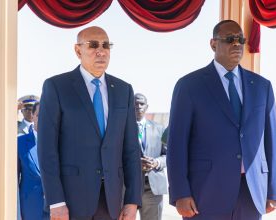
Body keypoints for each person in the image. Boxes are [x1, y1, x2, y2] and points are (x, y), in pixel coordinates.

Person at [166, 20, 276, 220]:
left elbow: (272, 143)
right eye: (230, 39)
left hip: (251, 193)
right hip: (205, 192)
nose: (237, 44)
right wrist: (180, 193)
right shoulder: (189, 86)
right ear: (213, 44)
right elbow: (176, 145)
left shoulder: (262, 87)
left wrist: (273, 190)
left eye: (241, 40)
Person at [38, 26, 142, 220]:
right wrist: (56, 201)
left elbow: (131, 150)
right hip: (70, 201)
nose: (101, 51)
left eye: (106, 45)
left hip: (111, 202)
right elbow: (47, 150)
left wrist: (132, 200)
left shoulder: (123, 90)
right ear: (78, 51)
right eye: (93, 45)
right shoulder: (57, 87)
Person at [134, 93, 167, 220]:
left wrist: (156, 162)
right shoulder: (122, 129)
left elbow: (168, 156)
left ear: (147, 107)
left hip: (153, 187)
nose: (138, 106)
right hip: (128, 187)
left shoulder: (159, 129)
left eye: (141, 103)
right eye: (135, 104)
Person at [18, 102, 49, 220]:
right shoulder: (20, 143)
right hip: (30, 208)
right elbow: (13, 180)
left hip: (55, 209)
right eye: (39, 115)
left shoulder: (62, 143)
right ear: (33, 116)